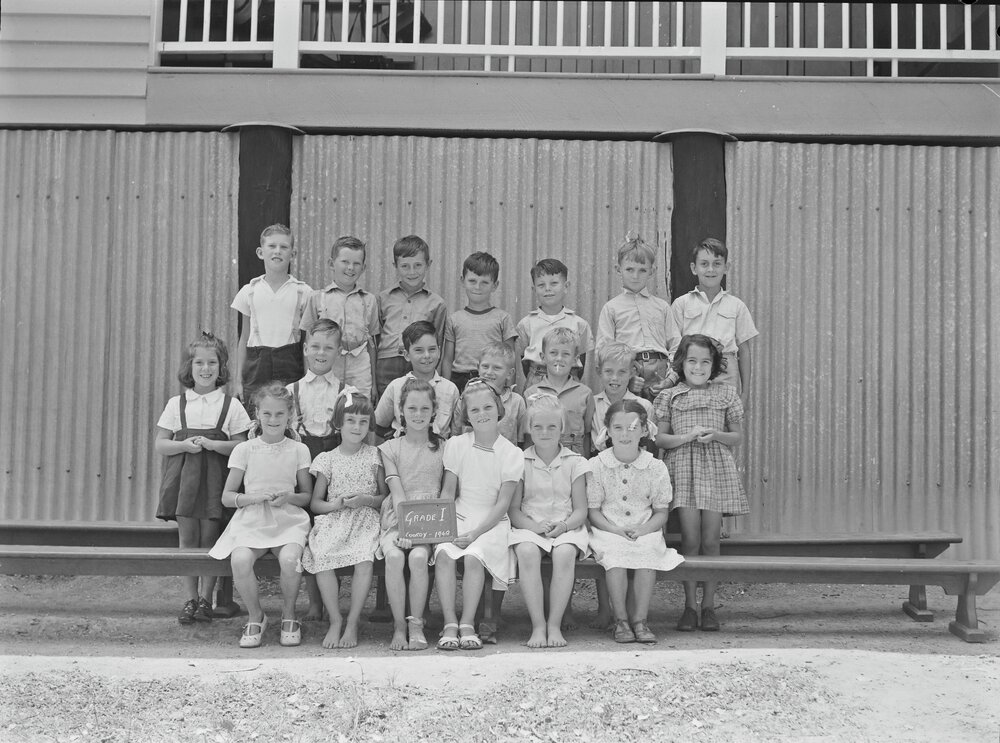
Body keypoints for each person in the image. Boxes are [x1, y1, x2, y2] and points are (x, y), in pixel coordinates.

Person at [155, 332, 251, 625]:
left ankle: (206, 600)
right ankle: (190, 598)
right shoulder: (177, 403)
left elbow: (242, 445)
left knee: (211, 538)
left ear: (221, 368)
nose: (205, 369)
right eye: (199, 362)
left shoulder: (230, 405)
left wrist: (214, 445)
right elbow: (161, 443)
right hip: (183, 478)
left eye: (212, 363)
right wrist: (184, 445)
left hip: (214, 478)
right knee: (187, 538)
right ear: (190, 366)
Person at [655, 334, 747, 633]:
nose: (698, 367)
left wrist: (715, 434)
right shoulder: (669, 396)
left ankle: (709, 606)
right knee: (690, 542)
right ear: (682, 364)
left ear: (714, 365)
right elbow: (660, 438)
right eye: (692, 361)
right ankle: (689, 607)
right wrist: (686, 437)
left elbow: (736, 436)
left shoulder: (726, 394)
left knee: (711, 541)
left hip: (716, 471)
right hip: (683, 470)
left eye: (705, 362)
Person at [209, 384, 312, 648]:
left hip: (287, 519)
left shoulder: (298, 449)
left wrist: (288, 497)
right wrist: (251, 498)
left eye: (279, 414)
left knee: (290, 560)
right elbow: (227, 496)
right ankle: (256, 616)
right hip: (252, 518)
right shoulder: (245, 449)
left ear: (290, 414)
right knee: (240, 560)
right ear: (257, 414)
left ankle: (289, 614)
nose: (273, 420)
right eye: (267, 414)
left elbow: (306, 497)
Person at [434, 379, 524, 650]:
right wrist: (446, 527)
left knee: (474, 556)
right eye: (474, 410)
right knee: (444, 553)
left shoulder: (512, 453)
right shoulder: (457, 444)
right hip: (459, 514)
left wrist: (474, 534)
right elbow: (449, 491)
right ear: (467, 415)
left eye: (487, 407)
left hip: (491, 522)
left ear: (498, 409)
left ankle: (467, 623)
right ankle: (450, 622)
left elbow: (503, 504)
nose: (482, 414)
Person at [588, 399, 683, 644]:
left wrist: (643, 529)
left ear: (643, 430)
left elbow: (661, 512)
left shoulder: (655, 467)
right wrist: (614, 530)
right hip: (608, 529)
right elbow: (594, 511)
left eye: (632, 427)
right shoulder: (597, 465)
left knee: (647, 551)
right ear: (607, 430)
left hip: (646, 527)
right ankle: (620, 621)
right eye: (617, 428)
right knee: (615, 555)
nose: (625, 434)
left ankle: (640, 620)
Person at [301, 388, 387, 649]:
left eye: (363, 422)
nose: (357, 427)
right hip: (335, 519)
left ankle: (352, 621)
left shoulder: (375, 456)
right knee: (322, 556)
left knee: (364, 560)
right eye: (350, 421)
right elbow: (315, 503)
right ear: (338, 424)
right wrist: (334, 504)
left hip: (365, 520)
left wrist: (366, 500)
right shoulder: (327, 459)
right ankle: (335, 619)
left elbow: (385, 497)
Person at [509, 394, 590, 648]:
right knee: (526, 551)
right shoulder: (519, 462)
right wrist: (533, 527)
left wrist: (564, 526)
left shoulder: (574, 462)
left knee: (565, 553)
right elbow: (514, 510)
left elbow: (580, 510)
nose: (545, 432)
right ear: (529, 428)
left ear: (562, 428)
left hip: (566, 525)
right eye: (538, 427)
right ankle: (538, 626)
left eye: (552, 426)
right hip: (529, 525)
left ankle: (554, 624)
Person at [377, 378, 445, 651]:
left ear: (434, 411)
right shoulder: (391, 449)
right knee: (394, 556)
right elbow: (396, 491)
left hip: (429, 520)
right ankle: (399, 626)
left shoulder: (444, 447)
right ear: (401, 411)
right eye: (412, 408)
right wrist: (405, 529)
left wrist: (418, 532)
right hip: (398, 518)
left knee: (418, 557)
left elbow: (446, 491)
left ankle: (416, 624)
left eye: (424, 409)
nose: (418, 415)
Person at [287, 317, 343, 621]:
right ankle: (314, 602)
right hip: (304, 466)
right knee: (308, 531)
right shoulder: (291, 390)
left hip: (335, 465)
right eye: (316, 346)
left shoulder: (348, 391)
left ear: (338, 351)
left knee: (332, 529)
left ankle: (332, 597)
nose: (322, 353)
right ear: (306, 349)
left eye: (329, 347)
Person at [664, 238, 758, 407]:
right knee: (691, 423)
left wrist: (745, 394)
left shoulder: (736, 306)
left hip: (726, 373)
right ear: (694, 268)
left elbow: (744, 351)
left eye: (717, 264)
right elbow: (674, 348)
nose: (710, 269)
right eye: (704, 264)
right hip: (691, 372)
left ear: (726, 268)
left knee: (723, 425)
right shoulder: (681, 304)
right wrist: (672, 380)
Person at [231, 223, 311, 414]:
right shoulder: (249, 291)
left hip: (290, 364)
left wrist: (308, 380)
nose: (278, 251)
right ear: (260, 252)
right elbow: (244, 338)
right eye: (272, 246)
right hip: (256, 367)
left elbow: (308, 342)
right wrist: (238, 380)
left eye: (284, 247)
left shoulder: (303, 292)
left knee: (287, 418)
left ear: (292, 254)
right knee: (254, 418)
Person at [595, 232, 680, 401]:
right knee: (629, 418)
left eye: (642, 270)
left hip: (661, 372)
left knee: (659, 420)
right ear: (618, 269)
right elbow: (603, 351)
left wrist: (671, 379)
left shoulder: (662, 307)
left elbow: (676, 345)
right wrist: (625, 378)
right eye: (629, 269)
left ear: (652, 271)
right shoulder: (611, 308)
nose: (635, 276)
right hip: (628, 369)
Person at [299, 236, 380, 399]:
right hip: (328, 364)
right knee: (328, 407)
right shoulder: (317, 298)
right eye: (345, 262)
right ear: (331, 264)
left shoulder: (369, 300)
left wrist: (374, 384)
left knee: (359, 408)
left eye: (356, 263)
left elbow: (372, 343)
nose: (351, 268)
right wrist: (306, 378)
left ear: (363, 268)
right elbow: (307, 343)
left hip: (360, 366)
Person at [375, 235, 447, 398]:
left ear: (428, 264)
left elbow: (439, 343)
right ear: (395, 266)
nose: (412, 272)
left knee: (417, 407)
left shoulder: (437, 303)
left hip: (420, 364)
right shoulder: (383, 298)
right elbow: (375, 339)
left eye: (418, 265)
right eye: (405, 266)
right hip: (386, 365)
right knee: (387, 410)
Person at [441, 251, 517, 392]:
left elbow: (510, 359)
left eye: (484, 282)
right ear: (462, 280)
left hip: (492, 378)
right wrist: (446, 388)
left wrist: (509, 390)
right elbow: (447, 359)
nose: (477, 287)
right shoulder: (454, 319)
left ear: (495, 285)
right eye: (472, 281)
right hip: (460, 380)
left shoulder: (503, 318)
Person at [515, 258, 594, 389]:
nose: (547, 289)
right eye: (541, 285)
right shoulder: (526, 324)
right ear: (534, 289)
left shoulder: (579, 324)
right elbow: (525, 363)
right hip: (537, 381)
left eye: (554, 283)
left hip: (569, 381)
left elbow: (581, 363)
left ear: (566, 286)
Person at [374, 320, 458, 441]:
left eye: (432, 349)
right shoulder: (396, 386)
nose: (427, 355)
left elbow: (456, 432)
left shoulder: (450, 389)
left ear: (439, 351)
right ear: (407, 355)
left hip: (440, 454)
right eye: (419, 350)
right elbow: (378, 426)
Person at [523, 327, 595, 456]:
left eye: (566, 354)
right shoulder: (530, 393)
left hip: (575, 457)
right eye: (553, 353)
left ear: (575, 359)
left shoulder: (585, 393)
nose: (559, 358)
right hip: (540, 457)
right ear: (543, 357)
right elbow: (528, 436)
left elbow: (588, 434)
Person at [450, 342, 526, 446]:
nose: (489, 372)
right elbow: (456, 434)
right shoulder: (465, 399)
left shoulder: (517, 402)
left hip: (505, 460)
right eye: (485, 366)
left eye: (497, 368)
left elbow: (522, 441)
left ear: (510, 373)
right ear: (478, 367)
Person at [591, 342, 657, 452]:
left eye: (622, 372)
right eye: (609, 371)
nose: (615, 378)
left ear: (631, 373)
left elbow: (649, 445)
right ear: (599, 371)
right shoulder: (592, 404)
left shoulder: (644, 406)